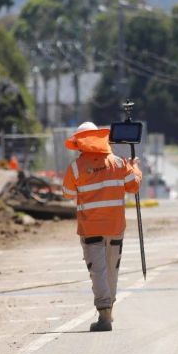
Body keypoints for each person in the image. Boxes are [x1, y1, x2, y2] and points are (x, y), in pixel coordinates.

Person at [62, 121, 143, 332]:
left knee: (97, 271)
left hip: (91, 229)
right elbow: (133, 185)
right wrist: (135, 167)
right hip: (115, 227)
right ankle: (109, 309)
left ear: (80, 143)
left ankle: (104, 315)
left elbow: (68, 194)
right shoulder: (118, 163)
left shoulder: (75, 168)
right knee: (111, 270)